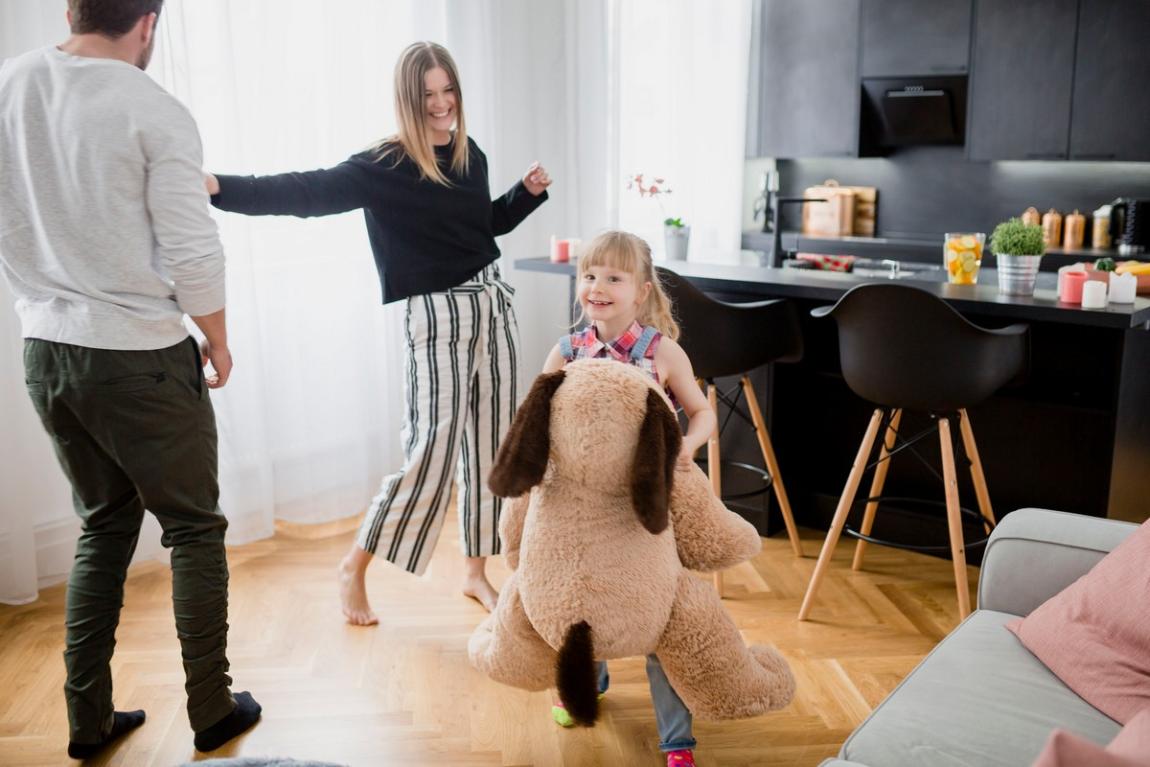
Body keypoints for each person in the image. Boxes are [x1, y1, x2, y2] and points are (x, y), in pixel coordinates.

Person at [206, 41, 550, 624]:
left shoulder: (470, 153)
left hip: (493, 308)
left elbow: (479, 228)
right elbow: (304, 191)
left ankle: (475, 571)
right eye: (428, 94)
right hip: (437, 319)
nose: (441, 104)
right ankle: (355, 566)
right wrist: (220, 186)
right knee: (430, 452)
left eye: (448, 90)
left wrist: (525, 195)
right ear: (407, 99)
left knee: (491, 445)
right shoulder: (385, 164)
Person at [0, 0, 261, 758]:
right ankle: (212, 708)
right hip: (138, 356)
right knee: (194, 527)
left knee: (103, 525)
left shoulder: (9, 84)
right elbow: (192, 250)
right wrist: (218, 340)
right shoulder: (154, 108)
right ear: (148, 22)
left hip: (47, 350)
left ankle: (87, 722)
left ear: (71, 8)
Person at [539, 230, 716, 767]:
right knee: (583, 600)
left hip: (646, 509)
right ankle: (586, 686)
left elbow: (701, 412)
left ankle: (677, 739)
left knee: (662, 616)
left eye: (613, 278)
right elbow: (538, 417)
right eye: (589, 275)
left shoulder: (662, 353)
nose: (597, 287)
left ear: (641, 291)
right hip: (584, 508)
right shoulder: (566, 351)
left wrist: (689, 445)